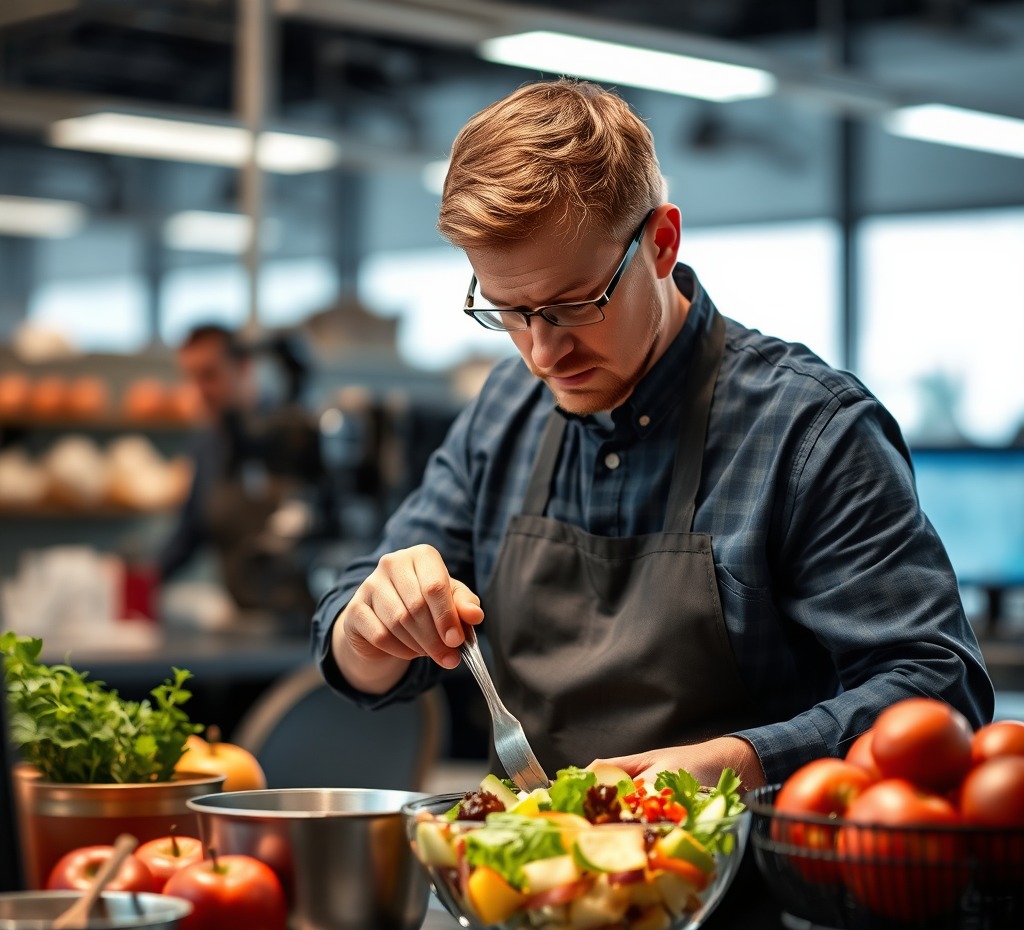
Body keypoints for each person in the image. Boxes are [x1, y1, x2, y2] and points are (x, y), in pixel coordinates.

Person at [312, 80, 992, 803]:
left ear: (662, 242)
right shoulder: (504, 411)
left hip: (748, 869)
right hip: (530, 871)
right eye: (508, 311)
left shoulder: (811, 431)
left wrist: (739, 764)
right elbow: (355, 642)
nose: (542, 353)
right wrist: (371, 627)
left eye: (575, 305)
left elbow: (938, 688)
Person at [159, 324, 323, 625]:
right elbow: (190, 533)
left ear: (244, 366)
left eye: (210, 375)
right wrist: (143, 578)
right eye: (192, 378)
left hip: (307, 621)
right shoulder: (207, 445)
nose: (200, 389)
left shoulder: (292, 433)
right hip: (243, 622)